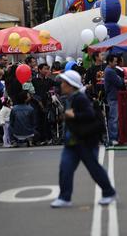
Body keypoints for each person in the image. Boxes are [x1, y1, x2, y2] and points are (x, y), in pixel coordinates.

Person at [51, 70, 116, 208]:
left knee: (94, 169)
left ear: (70, 85)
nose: (61, 85)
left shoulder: (80, 98)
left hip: (85, 141)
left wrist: (72, 114)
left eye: (63, 82)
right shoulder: (70, 98)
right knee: (65, 168)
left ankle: (109, 193)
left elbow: (89, 115)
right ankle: (64, 197)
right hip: (72, 142)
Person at [104, 54, 127, 145]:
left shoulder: (110, 70)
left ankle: (116, 138)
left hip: (114, 97)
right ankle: (113, 139)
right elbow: (119, 82)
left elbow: (119, 81)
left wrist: (121, 80)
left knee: (116, 118)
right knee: (114, 118)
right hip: (113, 97)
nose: (116, 63)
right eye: (115, 61)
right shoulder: (110, 71)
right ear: (109, 62)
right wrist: (126, 81)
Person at [33, 63, 57, 144]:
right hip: (36, 104)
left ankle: (47, 138)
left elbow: (57, 84)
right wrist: (38, 101)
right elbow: (32, 92)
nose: (47, 71)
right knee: (37, 121)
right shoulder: (34, 80)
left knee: (46, 121)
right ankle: (38, 139)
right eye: (45, 69)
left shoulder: (48, 80)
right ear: (39, 70)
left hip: (46, 103)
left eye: (47, 69)